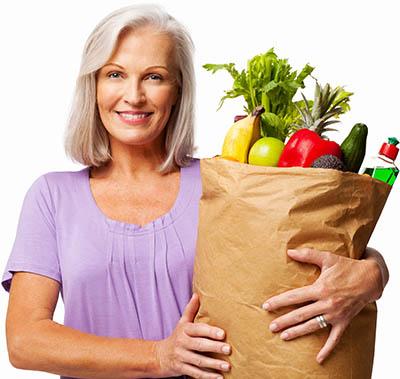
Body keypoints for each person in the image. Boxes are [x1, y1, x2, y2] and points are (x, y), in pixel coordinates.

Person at [2, 4, 389, 379]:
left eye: (154, 76)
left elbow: (295, 247)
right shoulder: (52, 197)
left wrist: (373, 273)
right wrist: (158, 357)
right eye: (115, 74)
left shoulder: (222, 182)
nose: (134, 95)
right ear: (94, 84)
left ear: (177, 90)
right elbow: (24, 341)